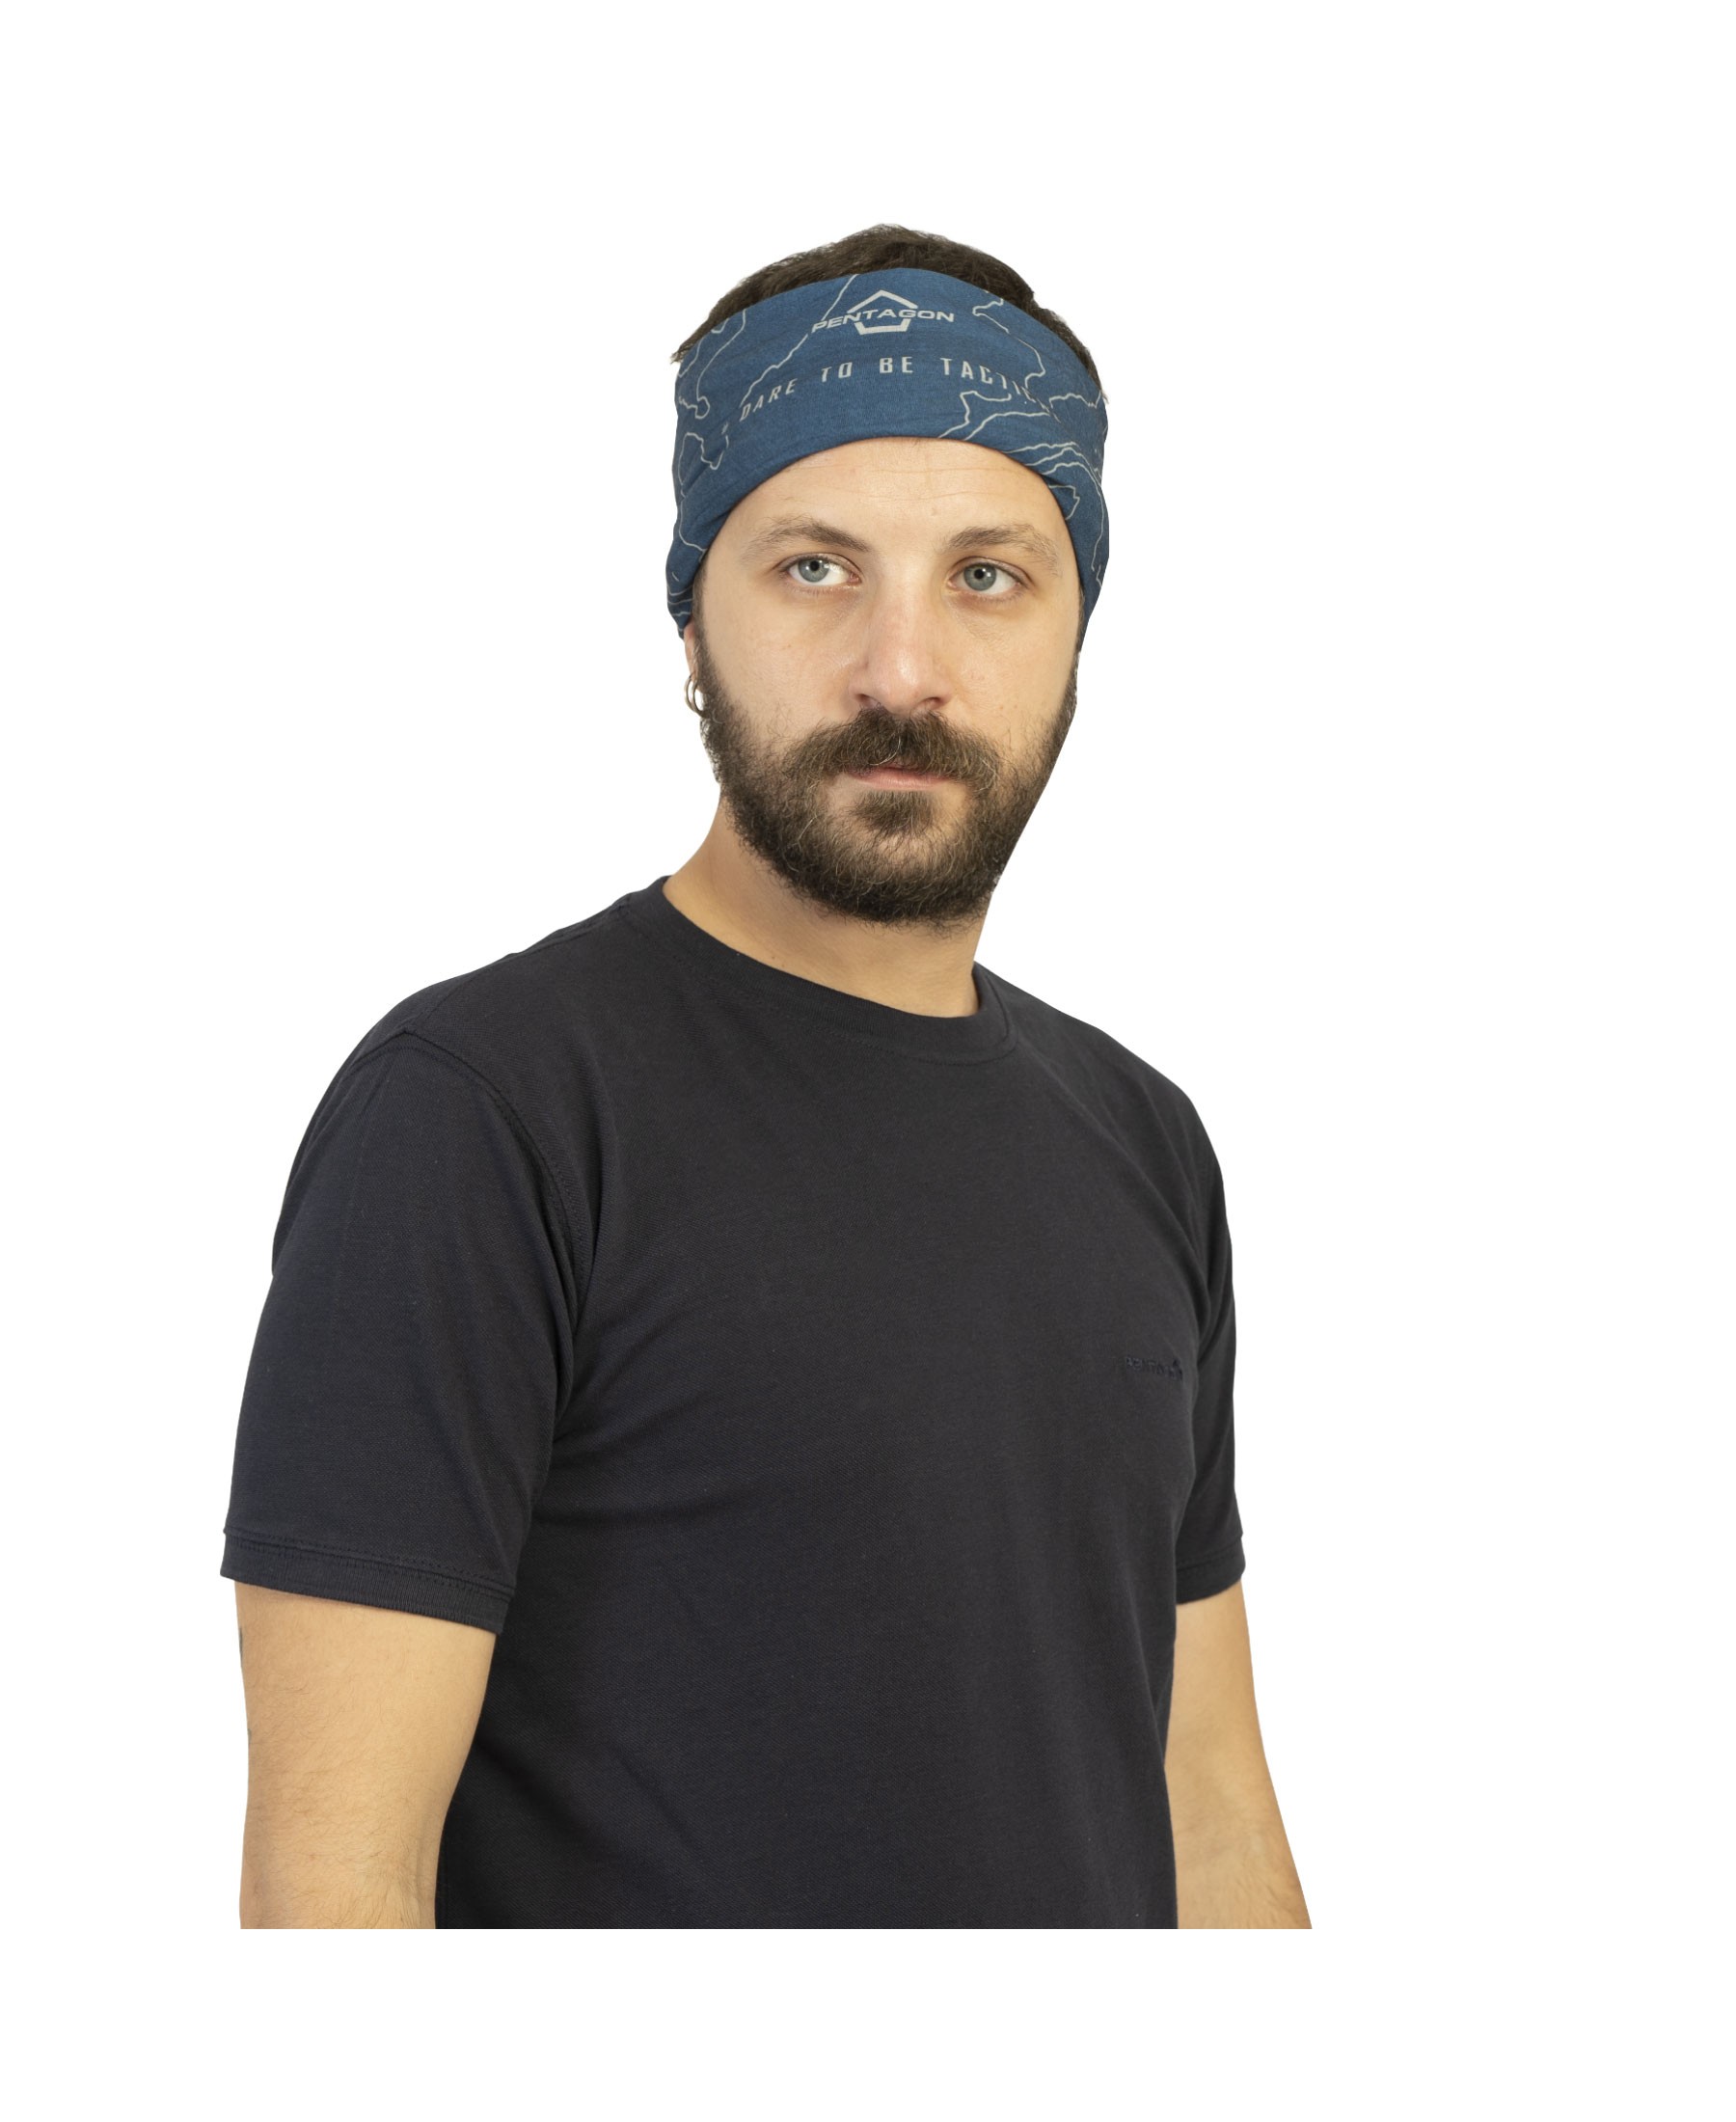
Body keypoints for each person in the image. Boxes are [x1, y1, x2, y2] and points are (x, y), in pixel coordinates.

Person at [222, 222, 1311, 1929]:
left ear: (1076, 628)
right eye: (814, 568)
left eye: (988, 577)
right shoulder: (485, 1112)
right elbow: (334, 1880)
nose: (901, 670)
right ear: (691, 620)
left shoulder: (1142, 1138)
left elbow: (1214, 1813)